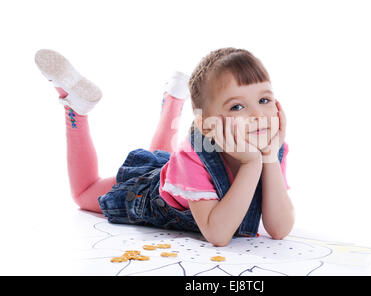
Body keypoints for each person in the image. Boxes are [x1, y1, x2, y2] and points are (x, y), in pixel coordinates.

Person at [35, 47, 294, 247]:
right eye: (237, 106)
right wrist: (251, 164)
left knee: (166, 158)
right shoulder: (194, 155)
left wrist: (268, 158)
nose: (259, 115)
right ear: (206, 126)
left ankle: (173, 99)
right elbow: (218, 234)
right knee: (83, 193)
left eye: (264, 99)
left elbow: (279, 228)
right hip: (147, 192)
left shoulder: (270, 149)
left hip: (173, 172)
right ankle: (76, 109)